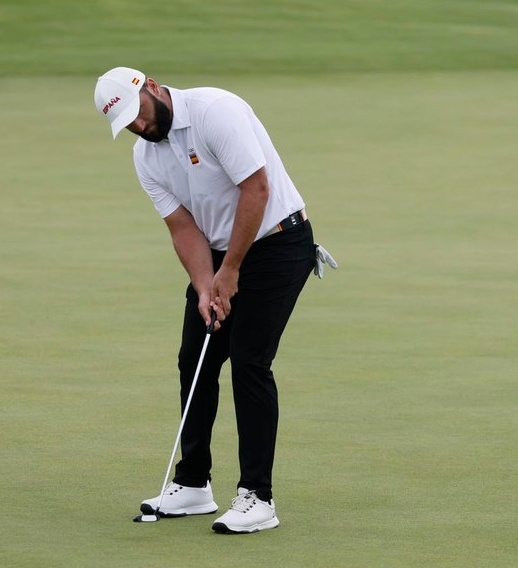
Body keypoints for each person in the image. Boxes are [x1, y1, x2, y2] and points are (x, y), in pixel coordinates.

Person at [94, 67, 336, 534]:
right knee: (196, 358)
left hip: (279, 241)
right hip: (222, 253)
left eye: (137, 114)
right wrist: (206, 285)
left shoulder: (215, 111)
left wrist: (231, 271)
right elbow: (182, 227)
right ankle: (192, 484)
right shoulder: (146, 158)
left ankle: (257, 497)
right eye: (126, 124)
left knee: (249, 359)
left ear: (150, 88)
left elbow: (257, 189)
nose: (138, 127)